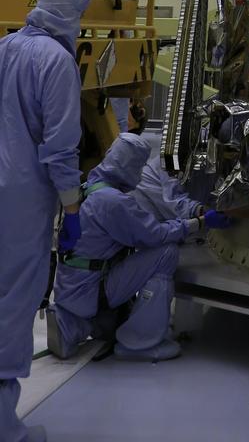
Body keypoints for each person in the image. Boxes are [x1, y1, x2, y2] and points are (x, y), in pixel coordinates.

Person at [47, 132, 232, 364]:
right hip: (91, 292)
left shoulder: (88, 188)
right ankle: (139, 343)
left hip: (72, 289)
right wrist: (201, 222)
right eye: (138, 166)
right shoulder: (112, 201)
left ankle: (90, 324)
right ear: (129, 165)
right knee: (166, 253)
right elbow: (155, 235)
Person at [0, 0, 90, 442]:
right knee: (13, 305)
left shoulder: (5, 46)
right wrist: (71, 211)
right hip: (20, 202)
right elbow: (59, 148)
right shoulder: (57, 61)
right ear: (72, 17)